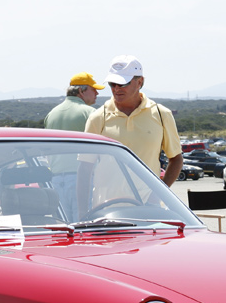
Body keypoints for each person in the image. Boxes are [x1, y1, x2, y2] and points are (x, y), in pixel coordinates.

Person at [84, 55, 182, 186]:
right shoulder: (97, 117)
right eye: (112, 84)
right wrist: (82, 206)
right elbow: (85, 167)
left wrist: (158, 194)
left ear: (140, 82)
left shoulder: (161, 114)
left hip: (149, 205)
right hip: (106, 205)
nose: (116, 88)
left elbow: (176, 159)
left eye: (123, 83)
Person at [44, 72, 105, 222]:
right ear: (81, 91)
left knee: (63, 229)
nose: (97, 93)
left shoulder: (51, 114)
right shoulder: (90, 113)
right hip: (81, 180)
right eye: (93, 89)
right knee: (84, 227)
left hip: (56, 181)